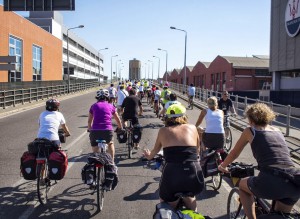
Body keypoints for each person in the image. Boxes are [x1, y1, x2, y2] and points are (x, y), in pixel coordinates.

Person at [218, 103, 300, 219]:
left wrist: (223, 166)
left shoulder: (250, 131)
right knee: (278, 216)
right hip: (294, 182)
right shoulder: (277, 130)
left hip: (271, 179)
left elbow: (234, 153)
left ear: (251, 119)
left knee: (242, 185)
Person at [143, 104, 204, 211]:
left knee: (166, 203)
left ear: (167, 117)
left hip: (172, 174)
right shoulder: (193, 128)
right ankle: (193, 213)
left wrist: (148, 156)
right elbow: (197, 151)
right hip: (194, 175)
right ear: (184, 116)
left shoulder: (163, 130)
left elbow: (154, 152)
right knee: (190, 197)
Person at [88, 89, 122, 160]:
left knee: (95, 147)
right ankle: (112, 162)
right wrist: (120, 127)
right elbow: (118, 120)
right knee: (110, 143)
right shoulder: (111, 106)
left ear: (97, 98)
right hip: (107, 131)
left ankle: (96, 161)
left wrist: (90, 129)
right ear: (107, 98)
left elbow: (89, 121)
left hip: (95, 131)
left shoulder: (93, 106)